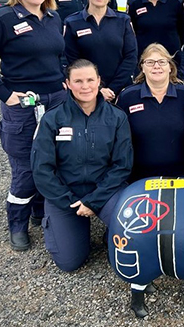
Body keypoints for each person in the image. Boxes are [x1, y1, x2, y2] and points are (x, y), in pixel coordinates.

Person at [0, 0, 68, 251]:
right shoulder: (1, 17)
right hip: (23, 104)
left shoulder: (53, 18)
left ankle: (40, 211)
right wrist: (5, 93)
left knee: (53, 159)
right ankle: (17, 222)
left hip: (56, 101)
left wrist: (63, 78)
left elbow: (59, 55)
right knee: (25, 167)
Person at [31, 59, 132, 271]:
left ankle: (109, 229)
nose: (85, 86)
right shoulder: (52, 119)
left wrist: (93, 202)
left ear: (99, 82)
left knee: (133, 233)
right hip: (66, 195)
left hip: (105, 191)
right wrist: (71, 202)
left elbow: (122, 165)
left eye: (90, 80)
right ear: (67, 84)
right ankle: (70, 227)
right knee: (70, 263)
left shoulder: (116, 117)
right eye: (78, 81)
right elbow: (42, 170)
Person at [116, 44, 184, 181]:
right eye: (150, 62)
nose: (156, 66)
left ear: (170, 67)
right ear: (142, 67)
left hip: (182, 177)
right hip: (139, 180)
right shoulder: (128, 97)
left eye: (162, 62)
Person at [64, 0, 138, 102]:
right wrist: (97, 89)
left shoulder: (123, 20)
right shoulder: (72, 22)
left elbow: (131, 57)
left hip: (120, 93)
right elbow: (72, 61)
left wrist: (112, 89)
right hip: (86, 93)